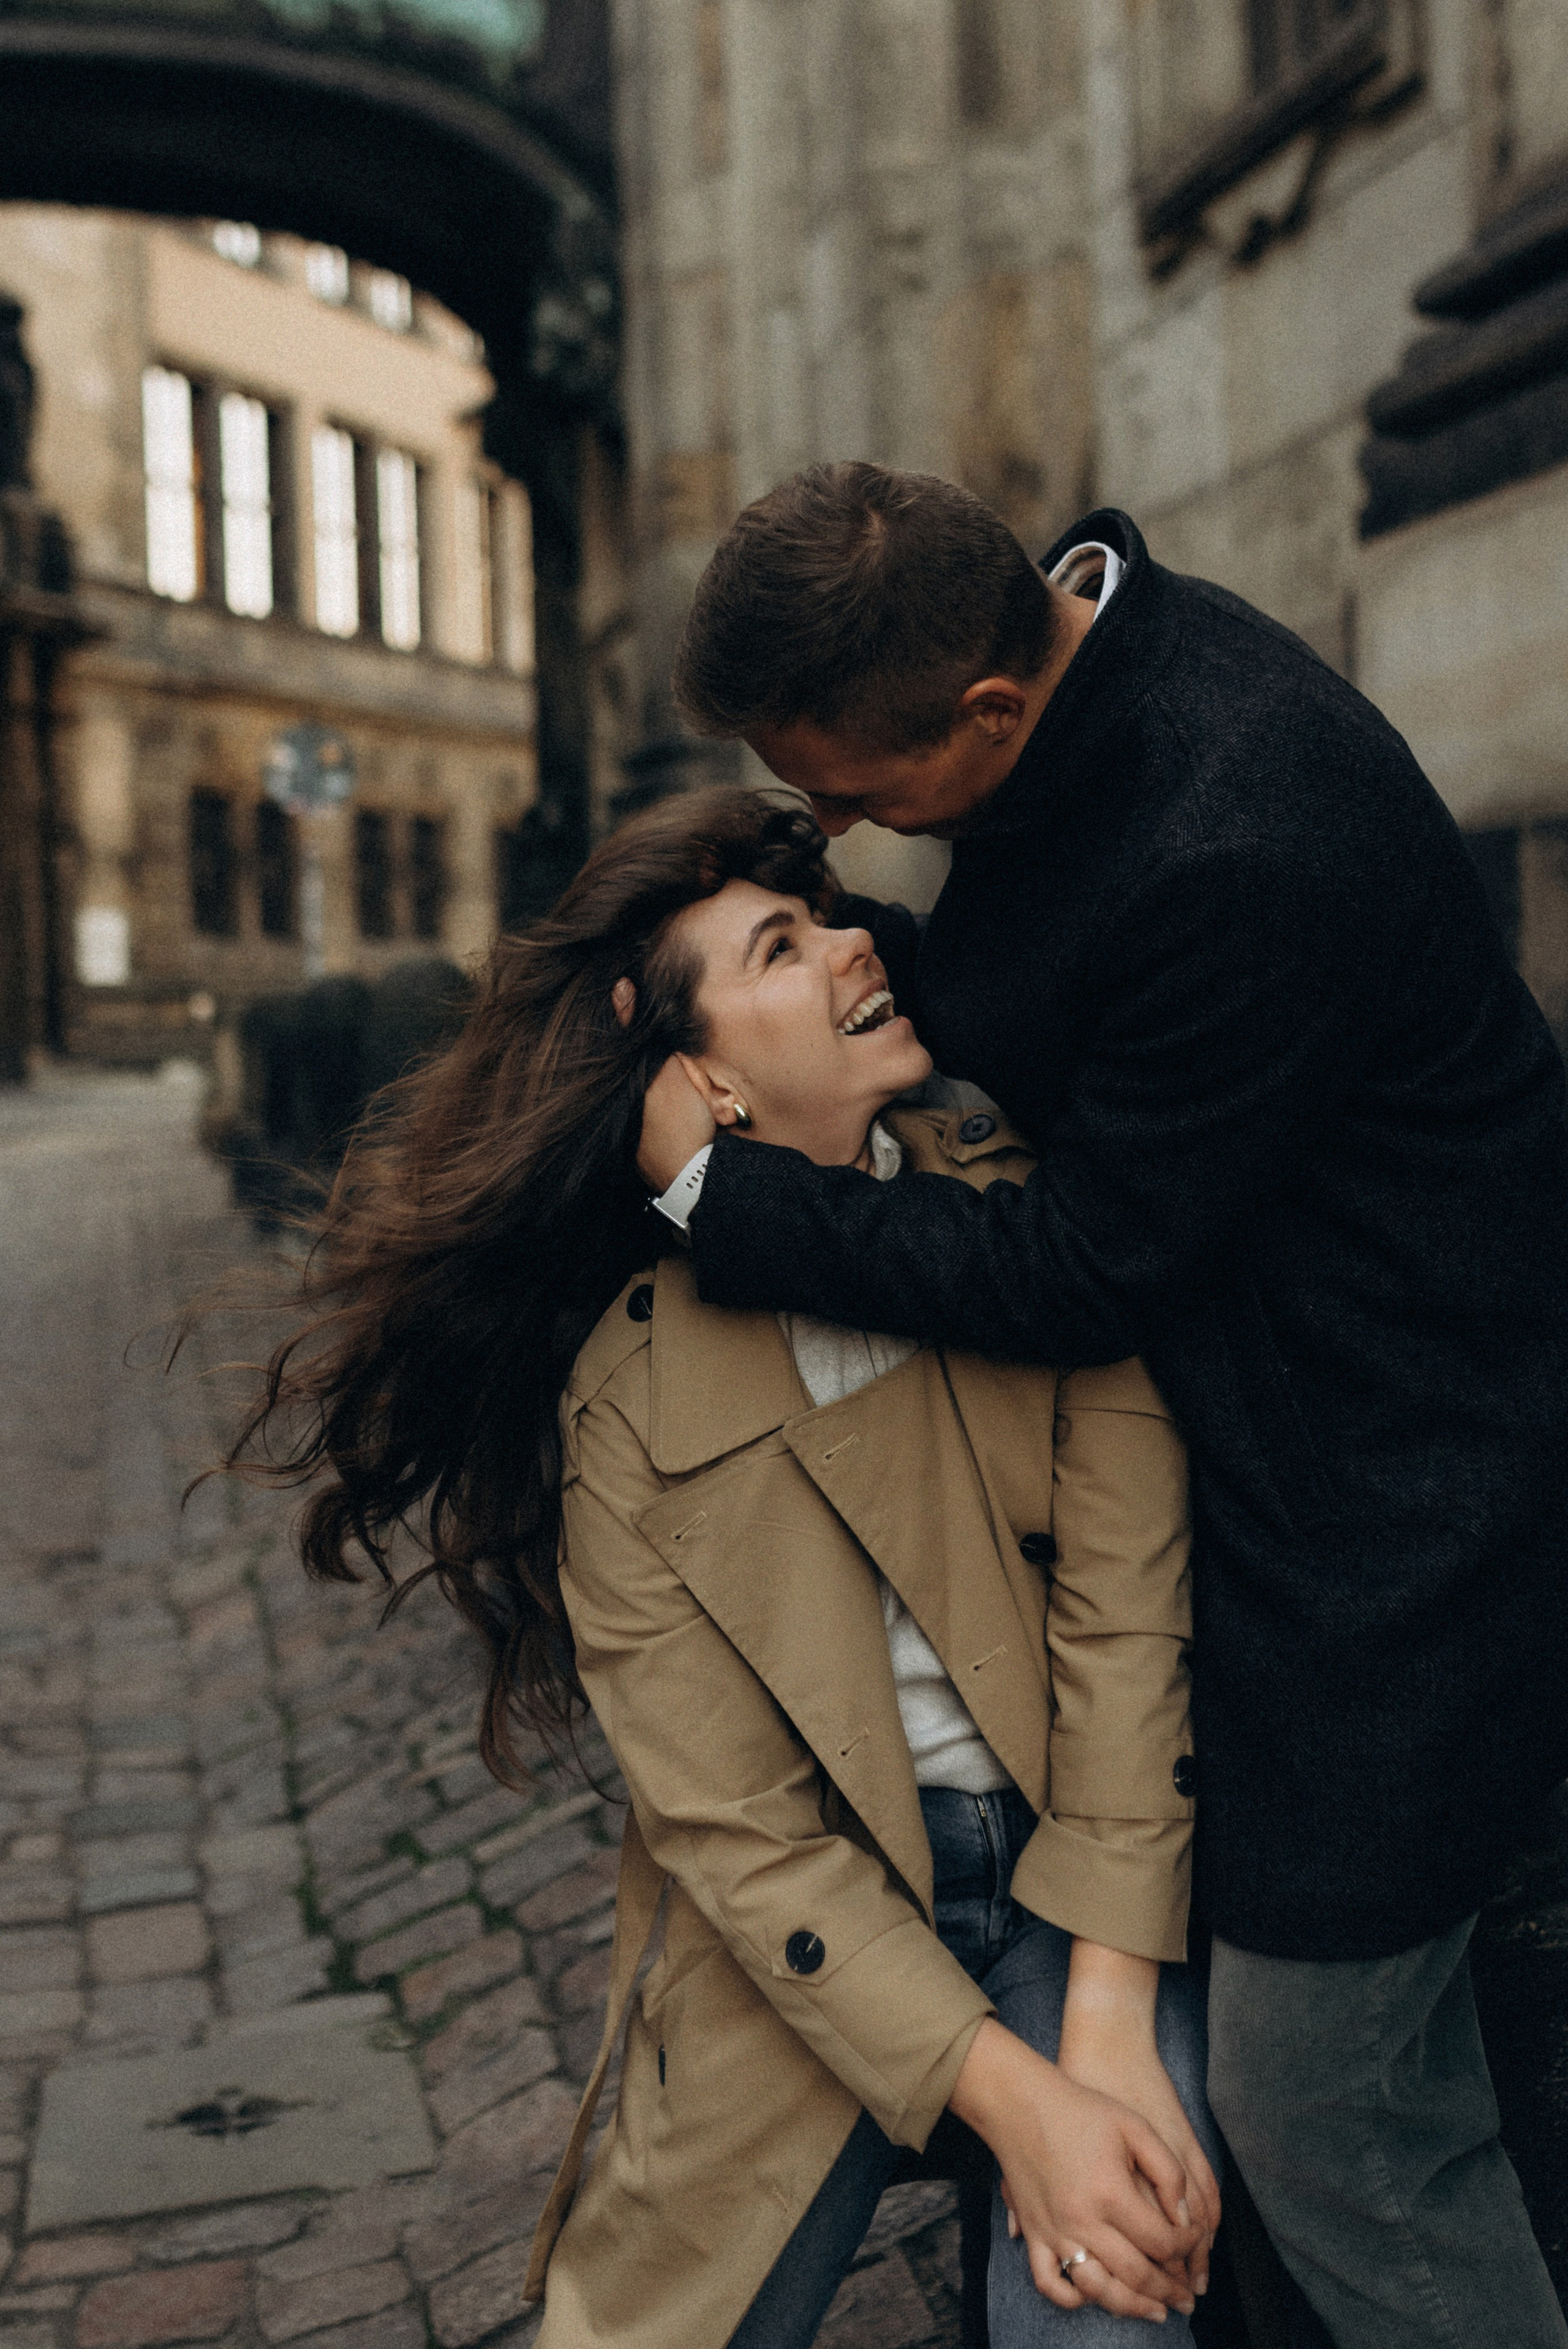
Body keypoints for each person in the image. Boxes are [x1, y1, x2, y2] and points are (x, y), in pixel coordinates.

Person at [636, 463, 1568, 2349]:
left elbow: (1081, 1269)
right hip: (1288, 1461)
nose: (834, 837)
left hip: (1402, 1526)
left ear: (987, 711)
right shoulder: (1069, 672)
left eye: (855, 795)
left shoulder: (1239, 834)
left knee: (1330, 2118)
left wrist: (740, 1202)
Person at [228, 789, 1221, 2348]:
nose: (850, 946)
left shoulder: (1020, 1222)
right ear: (702, 1083)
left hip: (1071, 1885)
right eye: (783, 943)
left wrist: (1097, 2036)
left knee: (1112, 2284)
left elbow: (1126, 1625)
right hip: (815, 1934)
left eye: (821, 916)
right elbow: (739, 1837)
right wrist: (1014, 2108)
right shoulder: (624, 1398)